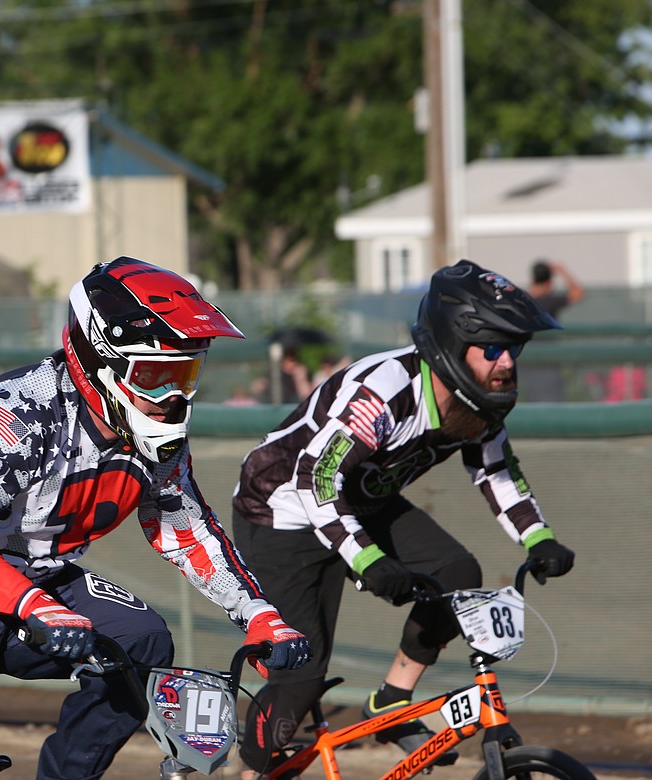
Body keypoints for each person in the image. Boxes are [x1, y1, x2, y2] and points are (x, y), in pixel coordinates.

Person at [0, 256, 312, 780]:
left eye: (185, 375)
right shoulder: (19, 410)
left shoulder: (154, 436)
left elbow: (185, 531)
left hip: (31, 584)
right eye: (155, 376)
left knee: (141, 641)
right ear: (99, 360)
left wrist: (258, 613)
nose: (173, 399)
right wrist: (33, 605)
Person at [231, 259, 577, 775]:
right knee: (299, 675)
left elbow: (496, 470)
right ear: (453, 343)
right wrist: (368, 560)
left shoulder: (479, 401)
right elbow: (314, 481)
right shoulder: (385, 392)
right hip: (281, 511)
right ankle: (250, 766)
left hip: (360, 500)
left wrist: (539, 538)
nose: (507, 362)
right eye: (492, 348)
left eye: (514, 348)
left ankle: (391, 700)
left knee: (456, 573)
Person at [524, 258, 585, 402]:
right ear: (549, 282)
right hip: (548, 362)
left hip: (528, 361)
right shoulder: (550, 300)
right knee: (551, 402)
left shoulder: (524, 299)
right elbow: (578, 293)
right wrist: (562, 271)